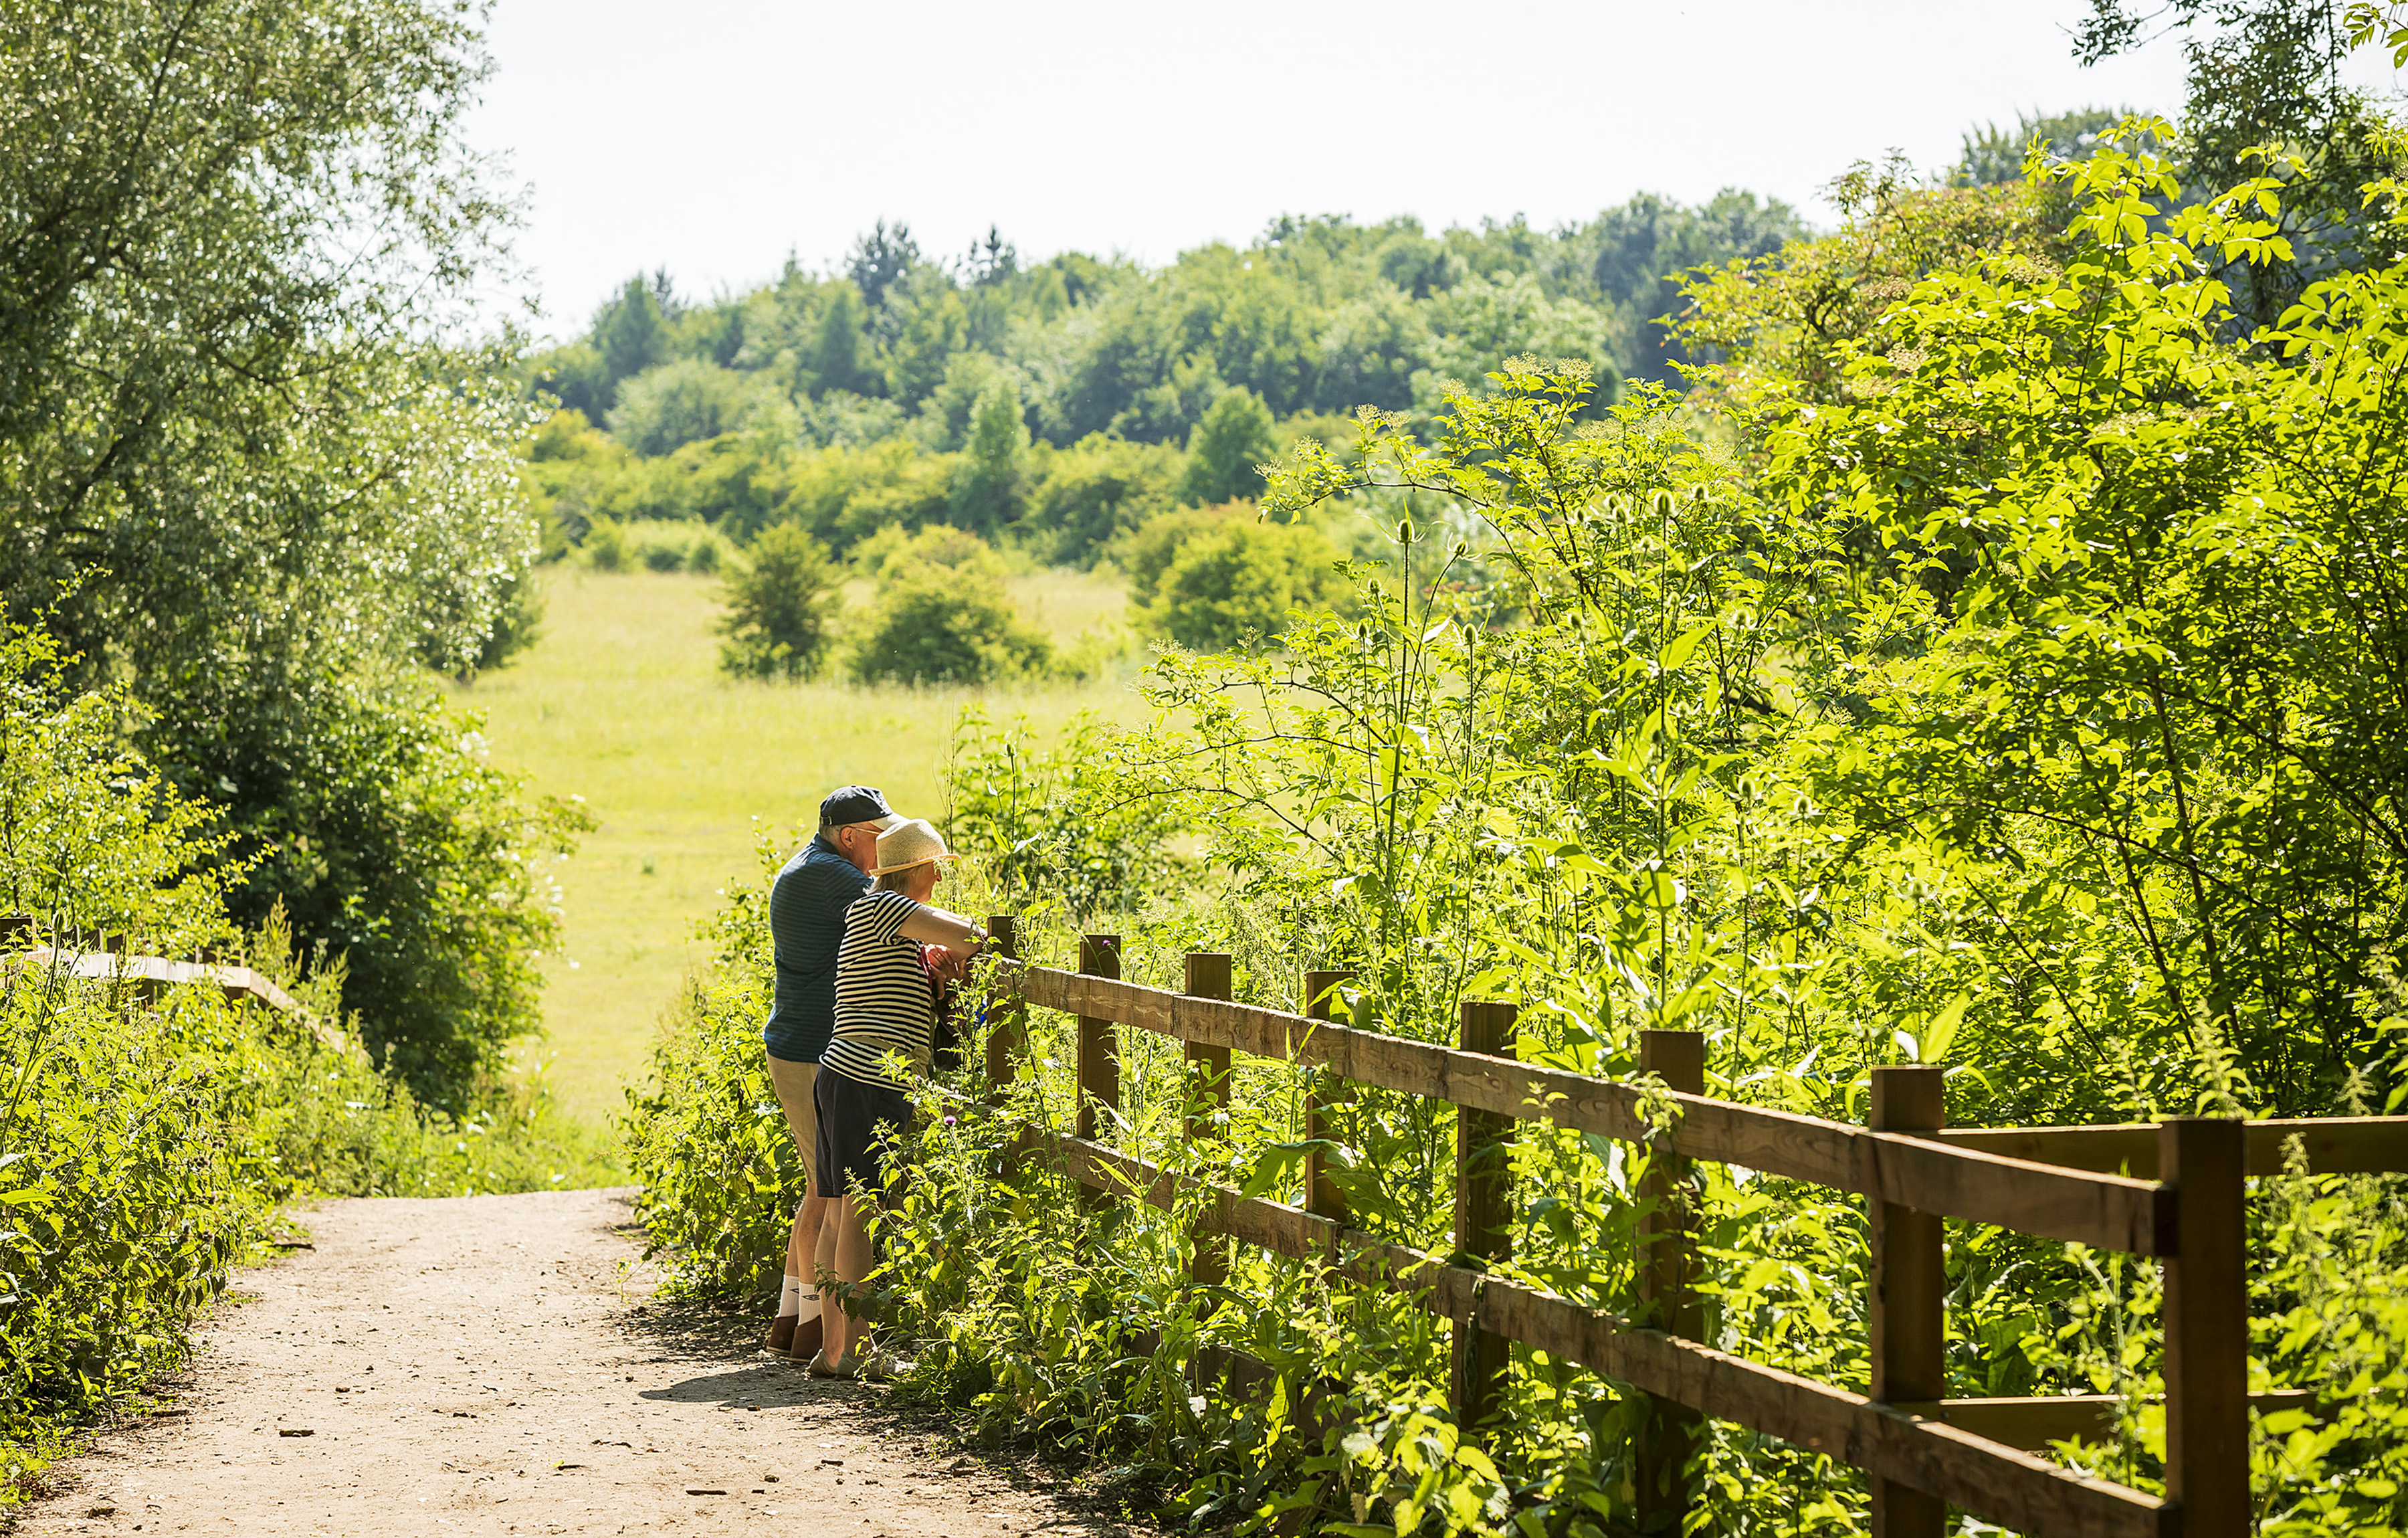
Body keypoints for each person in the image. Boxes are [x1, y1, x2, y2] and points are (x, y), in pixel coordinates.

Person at [811, 817, 986, 1378]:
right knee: (860, 1213)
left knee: (840, 1214)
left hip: (842, 1072)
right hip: (869, 1077)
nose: (938, 877)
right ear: (919, 869)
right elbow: (979, 935)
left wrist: (934, 969)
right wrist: (956, 949)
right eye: (935, 867)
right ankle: (858, 1353)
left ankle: (833, 1346)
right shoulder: (883, 908)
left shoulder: (876, 916)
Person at [759, 785, 903, 1360]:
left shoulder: (809, 865)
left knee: (820, 1188)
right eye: (880, 835)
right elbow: (904, 911)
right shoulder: (835, 878)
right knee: (833, 1192)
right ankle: (820, 1334)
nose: (888, 848)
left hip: (802, 1045)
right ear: (849, 836)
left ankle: (796, 1323)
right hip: (815, 1052)